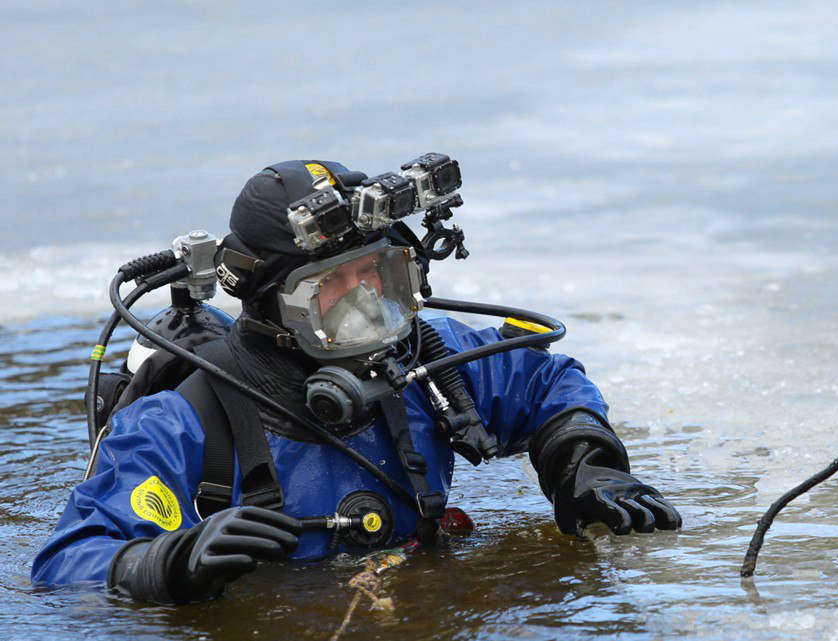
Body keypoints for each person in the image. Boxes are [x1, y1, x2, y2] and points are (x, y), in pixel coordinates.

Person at [31, 159, 681, 604]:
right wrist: (169, 562)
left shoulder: (422, 359)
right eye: (331, 288)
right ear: (269, 304)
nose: (366, 305)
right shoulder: (182, 425)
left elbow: (546, 382)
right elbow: (63, 566)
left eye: (379, 275)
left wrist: (584, 461)